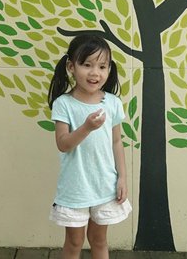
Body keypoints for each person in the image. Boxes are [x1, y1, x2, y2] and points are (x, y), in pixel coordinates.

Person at [47, 33, 132, 259]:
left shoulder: (112, 103)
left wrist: (122, 177)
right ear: (71, 66)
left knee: (99, 239)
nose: (95, 72)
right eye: (87, 64)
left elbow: (117, 142)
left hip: (104, 184)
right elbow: (63, 144)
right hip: (76, 187)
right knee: (74, 242)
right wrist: (87, 127)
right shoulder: (64, 104)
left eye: (102, 66)